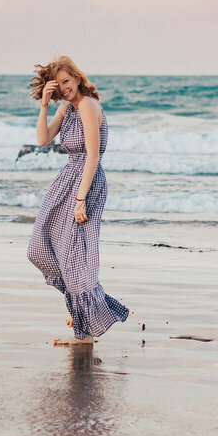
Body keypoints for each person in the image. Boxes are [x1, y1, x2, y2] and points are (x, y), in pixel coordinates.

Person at [25, 56, 129, 345]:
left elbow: (93, 155)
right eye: (58, 85)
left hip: (86, 181)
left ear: (77, 78)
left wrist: (81, 199)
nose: (64, 88)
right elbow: (43, 140)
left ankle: (84, 330)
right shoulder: (66, 107)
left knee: (76, 256)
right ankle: (83, 305)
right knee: (40, 248)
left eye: (67, 82)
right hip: (67, 179)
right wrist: (45, 104)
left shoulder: (87, 105)